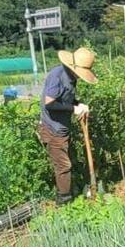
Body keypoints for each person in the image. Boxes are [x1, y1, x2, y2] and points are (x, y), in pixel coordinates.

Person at [38, 47, 97, 204]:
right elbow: (50, 104)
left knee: (67, 163)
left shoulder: (72, 78)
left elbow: (66, 100)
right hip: (52, 129)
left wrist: (78, 104)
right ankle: (64, 202)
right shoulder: (57, 75)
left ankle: (67, 194)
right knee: (64, 165)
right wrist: (74, 109)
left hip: (62, 128)